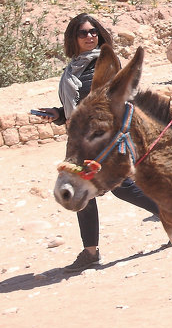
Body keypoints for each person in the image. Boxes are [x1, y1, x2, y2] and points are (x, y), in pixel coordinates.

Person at [35, 14, 160, 273]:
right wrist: (59, 114)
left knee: (121, 188)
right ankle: (90, 252)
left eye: (94, 32)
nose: (90, 36)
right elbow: (78, 109)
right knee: (86, 191)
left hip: (103, 141)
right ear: (74, 38)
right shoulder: (73, 69)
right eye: (83, 33)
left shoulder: (103, 70)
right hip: (81, 141)